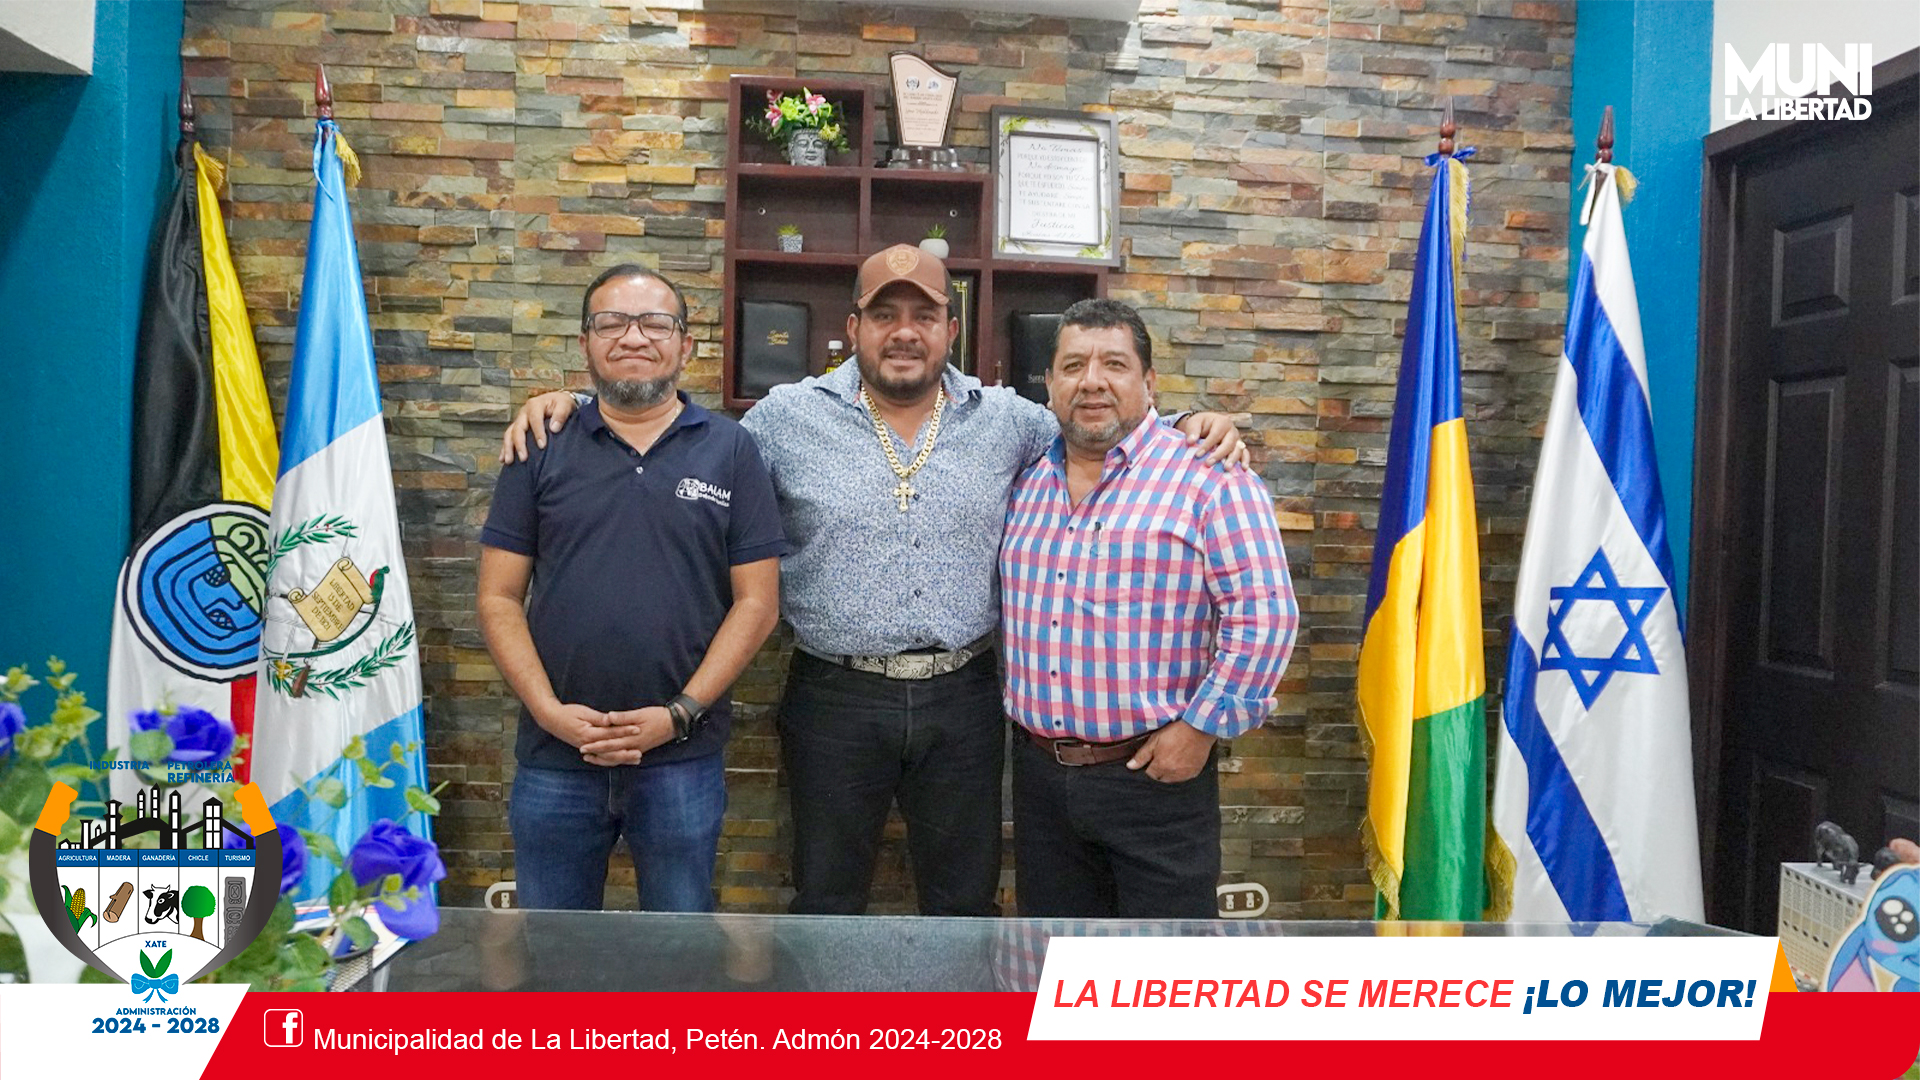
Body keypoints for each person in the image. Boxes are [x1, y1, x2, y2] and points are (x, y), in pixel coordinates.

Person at [502, 245, 1249, 916]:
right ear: (854, 326)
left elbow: (1098, 418)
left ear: (950, 330)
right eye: (885, 315)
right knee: (825, 893)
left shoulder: (1009, 420)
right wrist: (576, 407)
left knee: (964, 898)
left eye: (923, 316)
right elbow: (678, 439)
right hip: (835, 695)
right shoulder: (785, 418)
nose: (904, 332)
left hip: (965, 697)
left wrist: (1188, 420)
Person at [477, 265, 786, 912]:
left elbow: (757, 604)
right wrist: (549, 713)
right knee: (552, 950)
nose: (633, 336)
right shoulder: (540, 444)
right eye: (611, 322)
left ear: (685, 344)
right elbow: (498, 597)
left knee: (678, 952)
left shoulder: (732, 450)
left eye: (654, 323)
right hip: (556, 756)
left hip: (681, 756)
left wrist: (679, 713)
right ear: (585, 343)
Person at [1000, 298, 1297, 919]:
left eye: (1114, 364)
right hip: (1040, 782)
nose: (1092, 381)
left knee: (1162, 966)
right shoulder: (1024, 480)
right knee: (1053, 961)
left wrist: (1202, 728)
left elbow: (1265, 616)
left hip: (1155, 780)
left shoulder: (1210, 477)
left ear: (1149, 381)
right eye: (1073, 365)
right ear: (1048, 384)